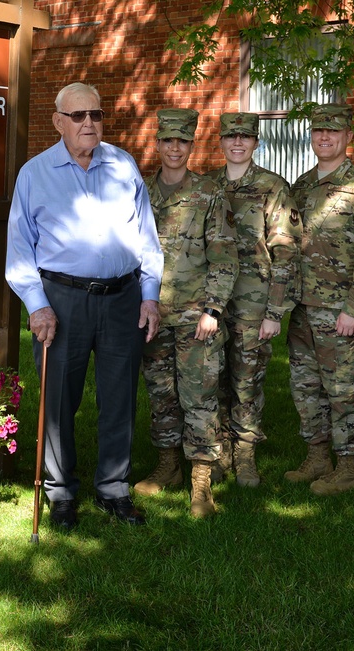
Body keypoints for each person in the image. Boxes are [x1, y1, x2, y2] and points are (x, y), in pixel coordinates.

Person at [6, 82, 164, 530]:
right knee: (58, 399)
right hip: (62, 299)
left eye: (95, 114)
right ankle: (60, 493)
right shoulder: (35, 174)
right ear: (59, 122)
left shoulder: (123, 165)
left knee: (120, 398)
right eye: (78, 116)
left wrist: (150, 295)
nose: (89, 123)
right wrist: (37, 306)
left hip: (122, 299)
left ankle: (114, 490)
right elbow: (19, 252)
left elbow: (147, 238)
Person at [132, 108, 238, 518]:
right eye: (167, 141)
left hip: (197, 317)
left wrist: (212, 309)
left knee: (200, 397)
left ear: (192, 146)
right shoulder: (140, 191)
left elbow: (225, 259)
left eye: (183, 141)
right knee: (162, 396)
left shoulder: (209, 193)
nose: (175, 148)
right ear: (157, 144)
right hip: (152, 313)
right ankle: (167, 466)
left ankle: (201, 481)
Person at [285, 103, 354, 495]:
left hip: (340, 312)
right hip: (302, 306)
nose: (324, 138)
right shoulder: (302, 186)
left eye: (333, 132)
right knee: (306, 385)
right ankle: (317, 455)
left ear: (348, 138)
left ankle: (348, 466)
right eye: (318, 132)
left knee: (344, 389)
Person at [208, 113, 300, 488]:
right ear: (221, 142)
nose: (237, 143)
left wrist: (275, 311)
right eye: (231, 137)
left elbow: (285, 249)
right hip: (213, 300)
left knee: (247, 379)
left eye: (245, 137)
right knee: (214, 378)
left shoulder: (271, 186)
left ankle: (245, 454)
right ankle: (219, 450)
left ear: (255, 143)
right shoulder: (208, 184)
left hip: (253, 301)